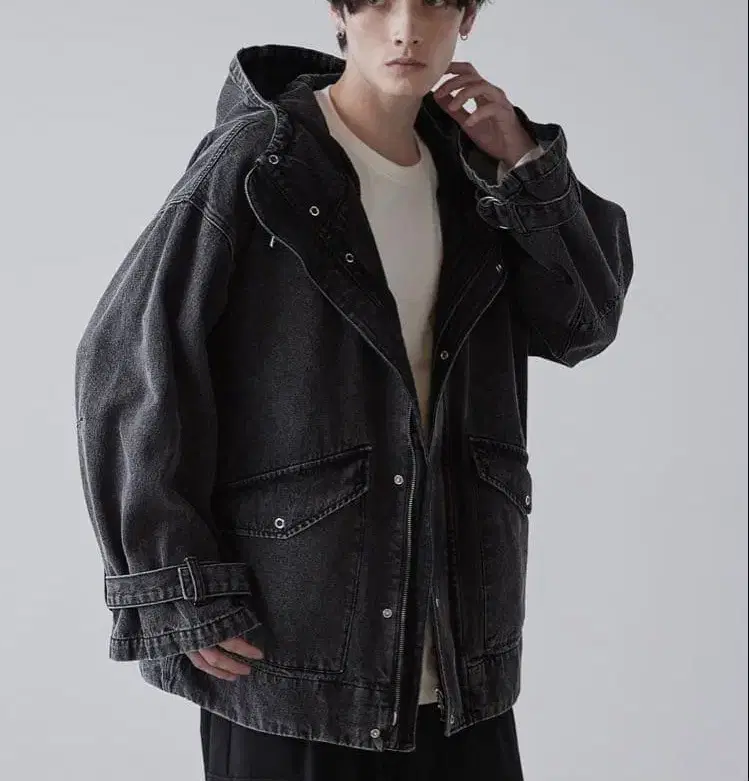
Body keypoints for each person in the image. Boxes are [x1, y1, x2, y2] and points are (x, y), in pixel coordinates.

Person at [74, 0, 634, 778]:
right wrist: (176, 583)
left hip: (460, 650)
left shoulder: (474, 173)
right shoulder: (261, 162)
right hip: (297, 648)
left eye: (432, 3)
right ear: (339, 12)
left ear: (466, 16)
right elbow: (129, 359)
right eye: (377, 2)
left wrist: (522, 163)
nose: (405, 27)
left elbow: (583, 323)